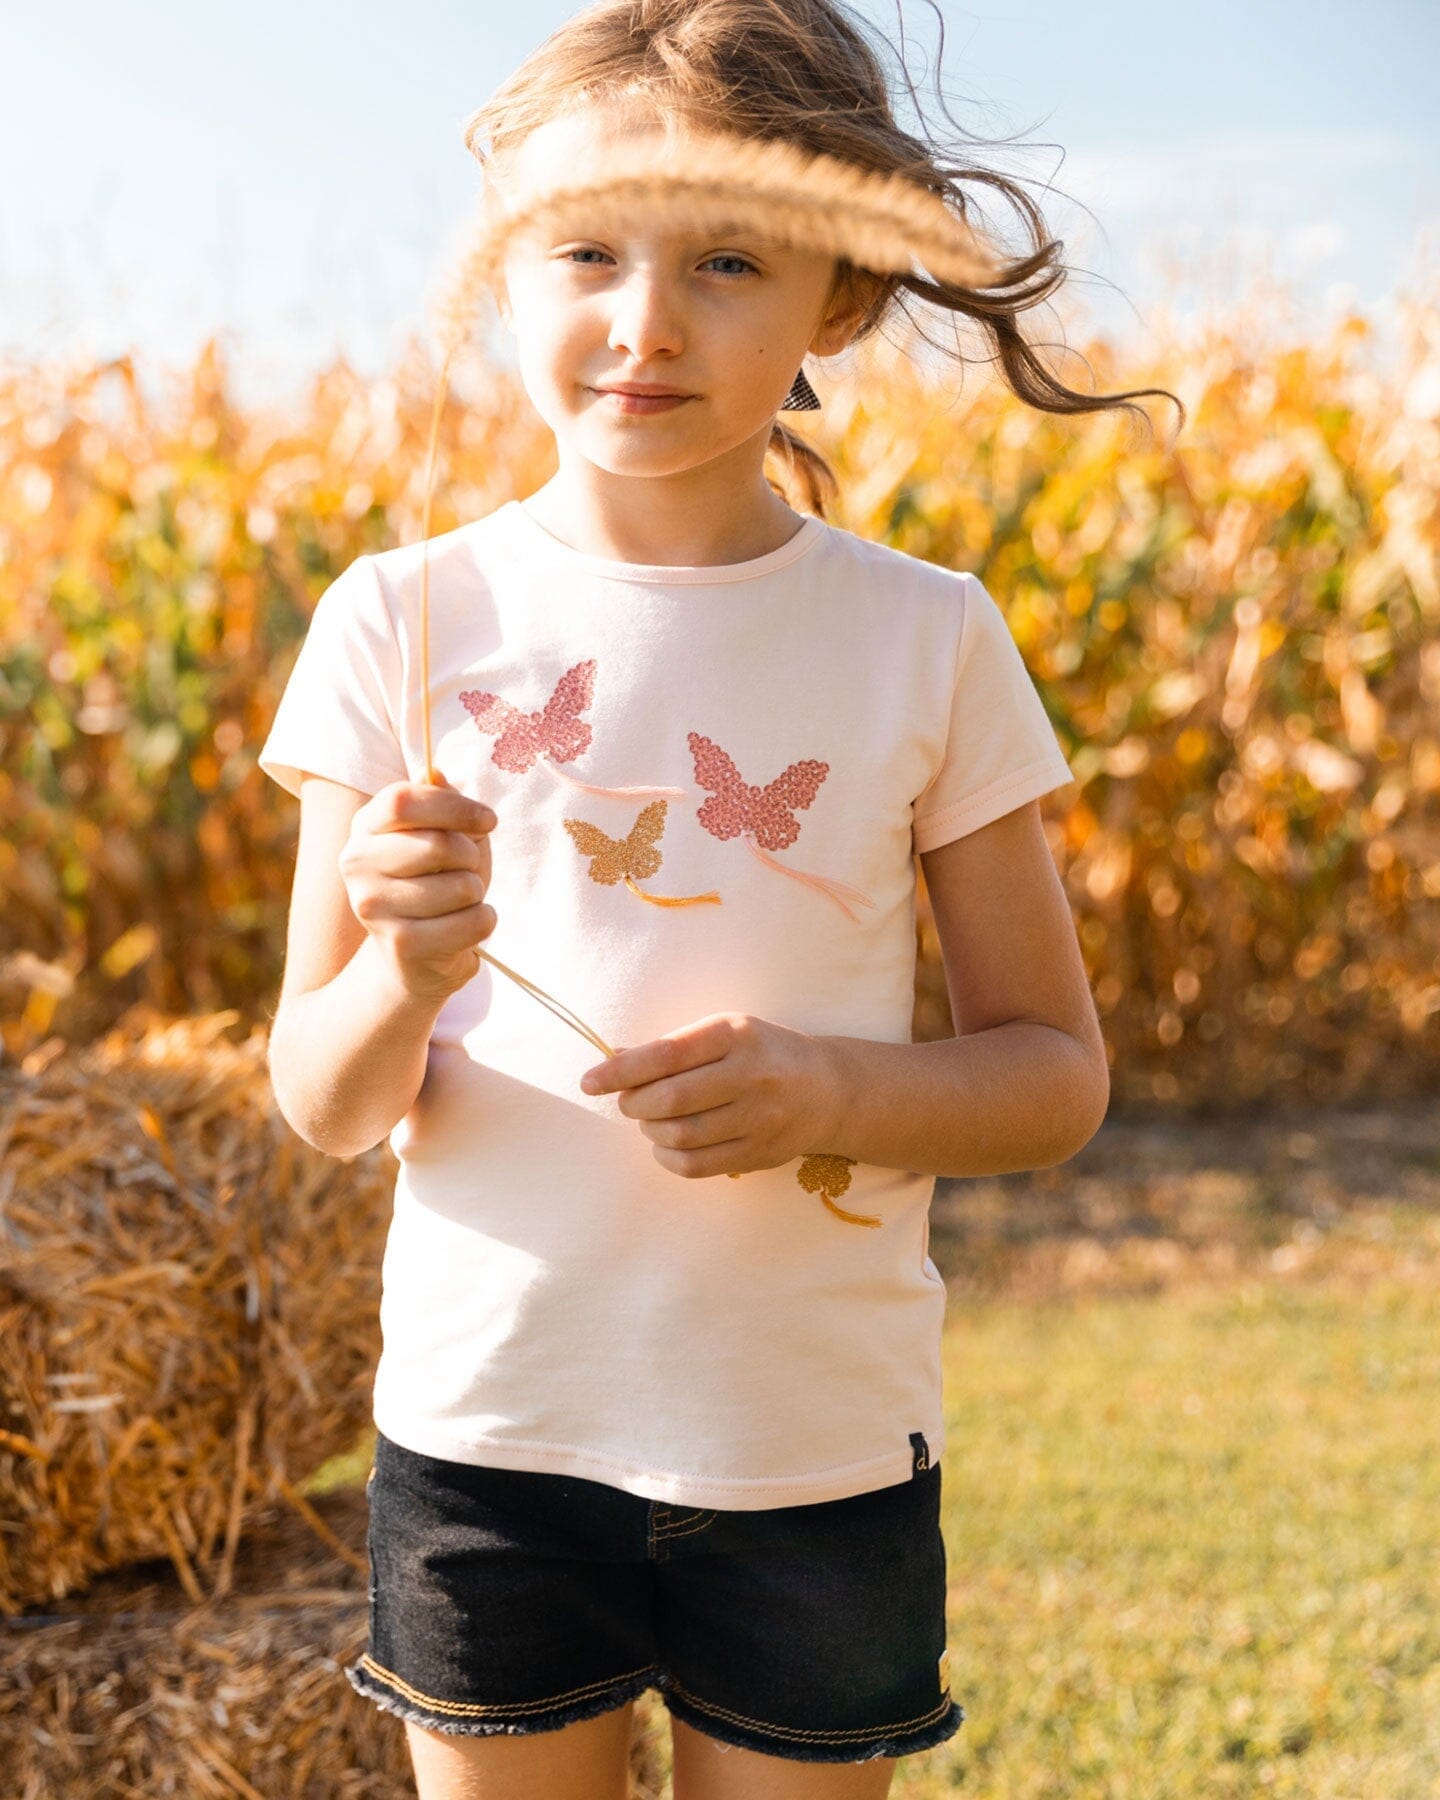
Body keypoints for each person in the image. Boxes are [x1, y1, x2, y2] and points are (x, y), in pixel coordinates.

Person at [259, 5, 1178, 1796]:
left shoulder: (927, 637)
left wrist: (826, 1089)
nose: (646, 322)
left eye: (730, 261)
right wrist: (399, 972)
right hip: (488, 1440)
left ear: (843, 293)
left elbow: (1054, 1077)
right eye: (585, 252)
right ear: (505, 268)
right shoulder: (400, 621)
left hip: (807, 1448)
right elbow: (323, 1097)